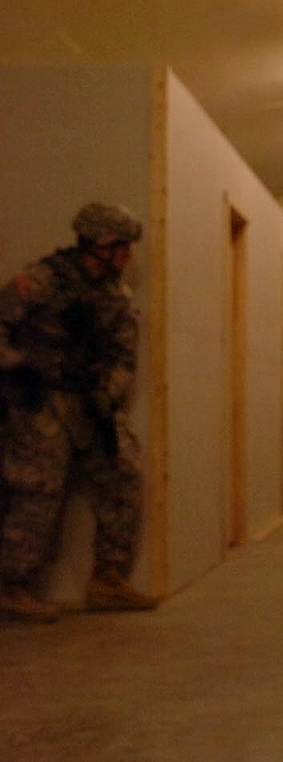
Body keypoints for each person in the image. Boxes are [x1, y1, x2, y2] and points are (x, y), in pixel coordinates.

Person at [0, 201, 157, 622]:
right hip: (38, 401)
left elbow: (125, 357)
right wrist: (19, 366)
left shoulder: (115, 296)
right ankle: (12, 585)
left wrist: (107, 395)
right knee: (37, 487)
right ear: (100, 244)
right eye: (122, 246)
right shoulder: (42, 280)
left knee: (124, 471)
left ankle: (108, 578)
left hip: (88, 402)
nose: (127, 256)